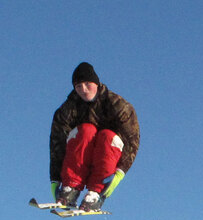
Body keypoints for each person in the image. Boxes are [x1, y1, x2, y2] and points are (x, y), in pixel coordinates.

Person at [50, 62, 140, 212]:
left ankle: (95, 193)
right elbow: (57, 144)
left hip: (108, 152)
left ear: (96, 83)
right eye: (78, 86)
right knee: (86, 130)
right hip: (81, 153)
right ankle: (70, 188)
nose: (84, 90)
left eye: (87, 84)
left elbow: (132, 140)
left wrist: (120, 173)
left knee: (106, 136)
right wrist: (55, 179)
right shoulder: (67, 110)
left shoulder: (118, 106)